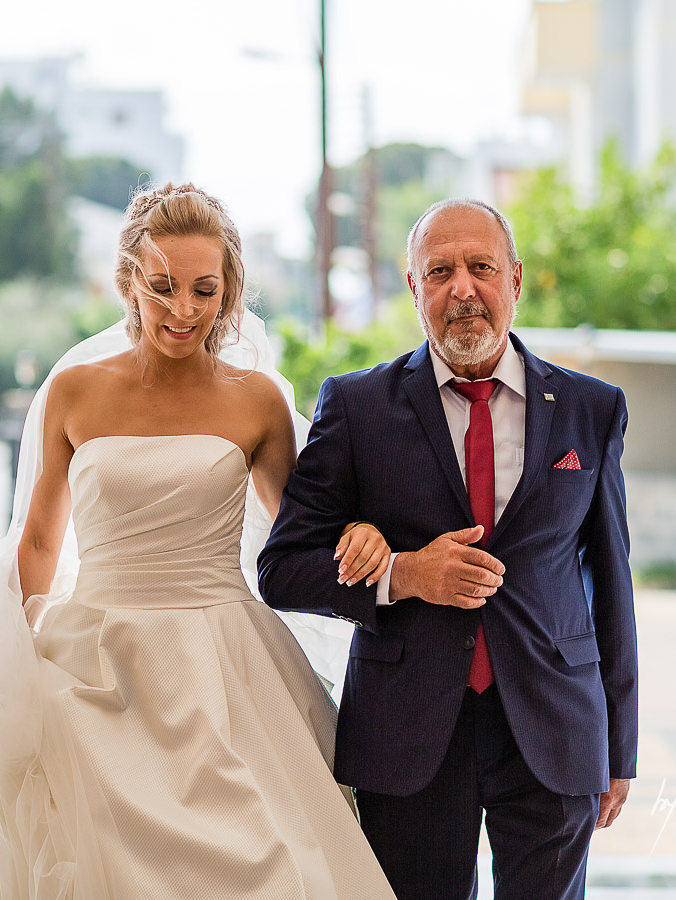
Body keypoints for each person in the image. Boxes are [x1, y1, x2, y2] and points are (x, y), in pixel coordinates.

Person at [0, 183, 397, 899]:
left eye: (204, 290)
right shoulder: (75, 393)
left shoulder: (257, 400)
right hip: (93, 658)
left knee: (274, 858)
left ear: (229, 289)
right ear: (128, 282)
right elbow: (40, 543)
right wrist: (15, 666)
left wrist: (359, 530)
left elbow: (302, 533)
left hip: (223, 660)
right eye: (162, 287)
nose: (182, 310)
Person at [258, 199, 639, 900]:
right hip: (408, 734)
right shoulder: (356, 407)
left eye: (481, 267)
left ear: (515, 280)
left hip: (556, 730)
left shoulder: (593, 408)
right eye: (439, 271)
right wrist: (403, 574)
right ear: (413, 289)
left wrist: (620, 746)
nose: (462, 288)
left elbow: (610, 583)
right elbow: (282, 569)